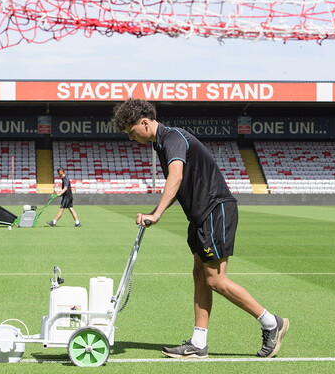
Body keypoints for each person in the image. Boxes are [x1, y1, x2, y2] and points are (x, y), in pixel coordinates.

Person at [110, 98, 289, 358]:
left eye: (130, 131)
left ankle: (272, 323)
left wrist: (157, 214)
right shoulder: (163, 142)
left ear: (145, 123)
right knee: (199, 275)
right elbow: (179, 186)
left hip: (215, 210)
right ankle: (198, 343)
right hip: (200, 216)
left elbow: (176, 177)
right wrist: (154, 211)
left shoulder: (172, 138)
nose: (130, 137)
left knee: (216, 280)